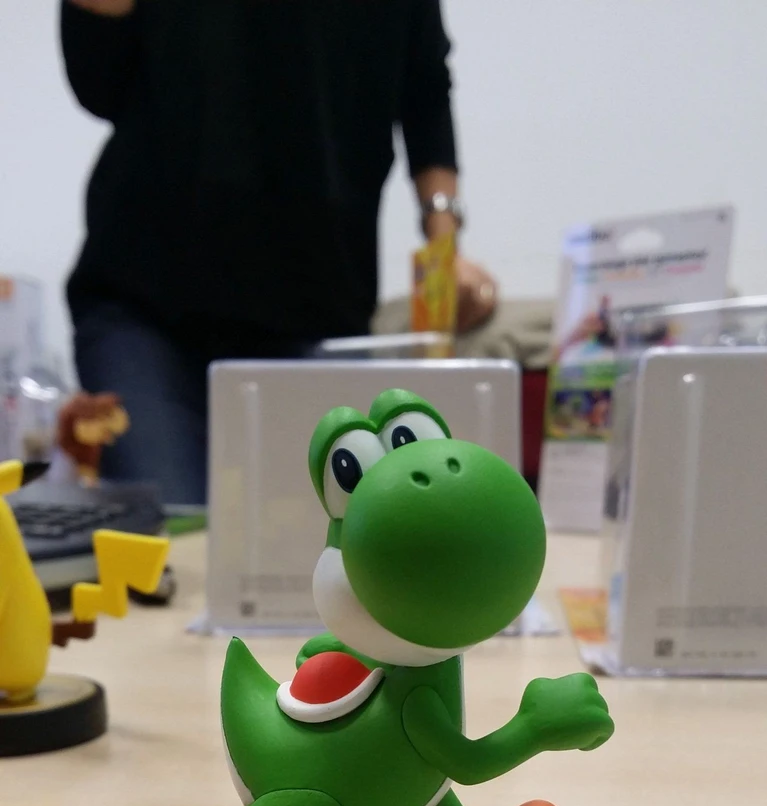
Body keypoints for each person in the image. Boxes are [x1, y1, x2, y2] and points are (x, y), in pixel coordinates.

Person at [61, 0, 498, 506]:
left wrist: (445, 252)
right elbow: (99, 85)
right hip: (147, 302)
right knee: (169, 533)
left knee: (345, 533)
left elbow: (424, 89)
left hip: (320, 305)